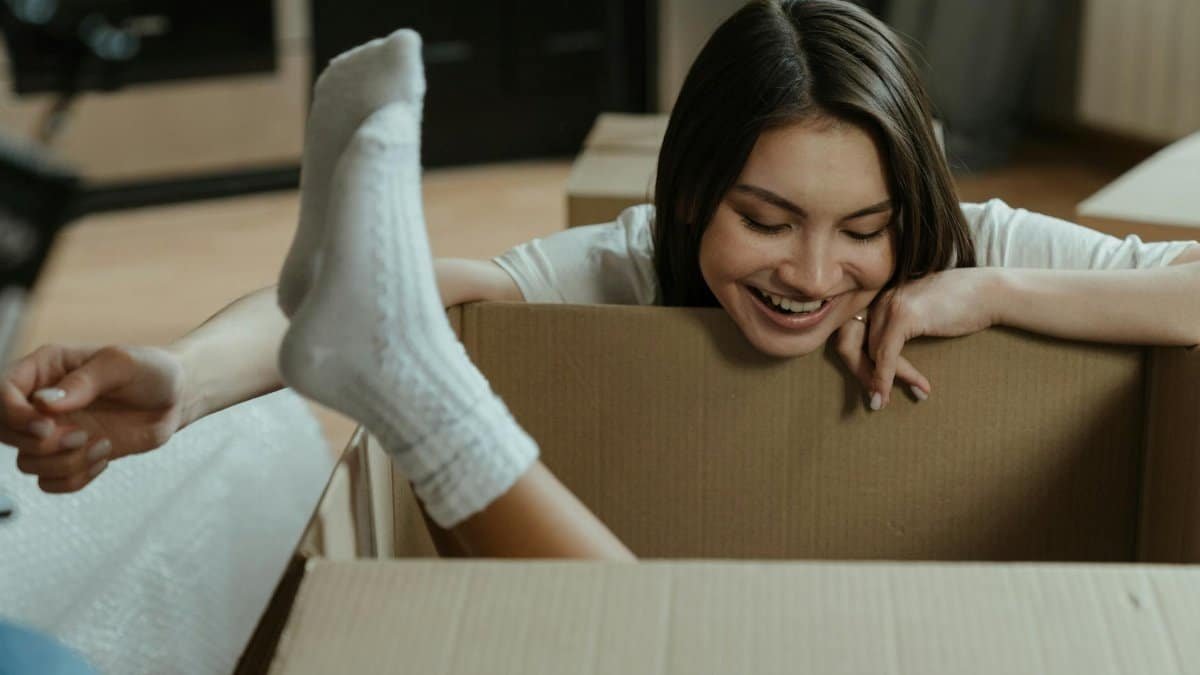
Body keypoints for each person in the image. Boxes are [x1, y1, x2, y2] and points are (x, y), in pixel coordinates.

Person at [4, 1, 1198, 560]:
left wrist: (987, 295)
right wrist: (183, 381)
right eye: (765, 220)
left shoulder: (970, 249)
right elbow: (381, 291)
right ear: (690, 199)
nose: (813, 274)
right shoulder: (632, 259)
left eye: (866, 233)